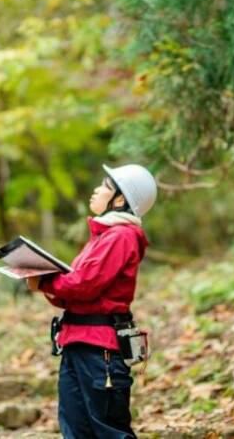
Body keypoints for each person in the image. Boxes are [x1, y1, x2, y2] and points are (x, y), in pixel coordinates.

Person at [27, 164, 157, 439]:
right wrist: (45, 284)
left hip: (101, 349)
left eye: (104, 187)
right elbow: (74, 292)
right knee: (76, 429)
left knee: (108, 430)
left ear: (119, 200)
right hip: (77, 341)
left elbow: (85, 284)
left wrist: (45, 283)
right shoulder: (103, 237)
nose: (96, 191)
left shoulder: (121, 236)